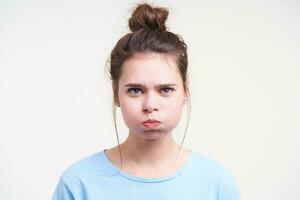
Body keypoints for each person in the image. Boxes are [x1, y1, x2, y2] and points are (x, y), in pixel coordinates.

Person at [52, 3, 241, 200]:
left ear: (185, 91)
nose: (150, 105)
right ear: (116, 93)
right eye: (135, 90)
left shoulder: (217, 184)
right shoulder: (78, 183)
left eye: (165, 90)